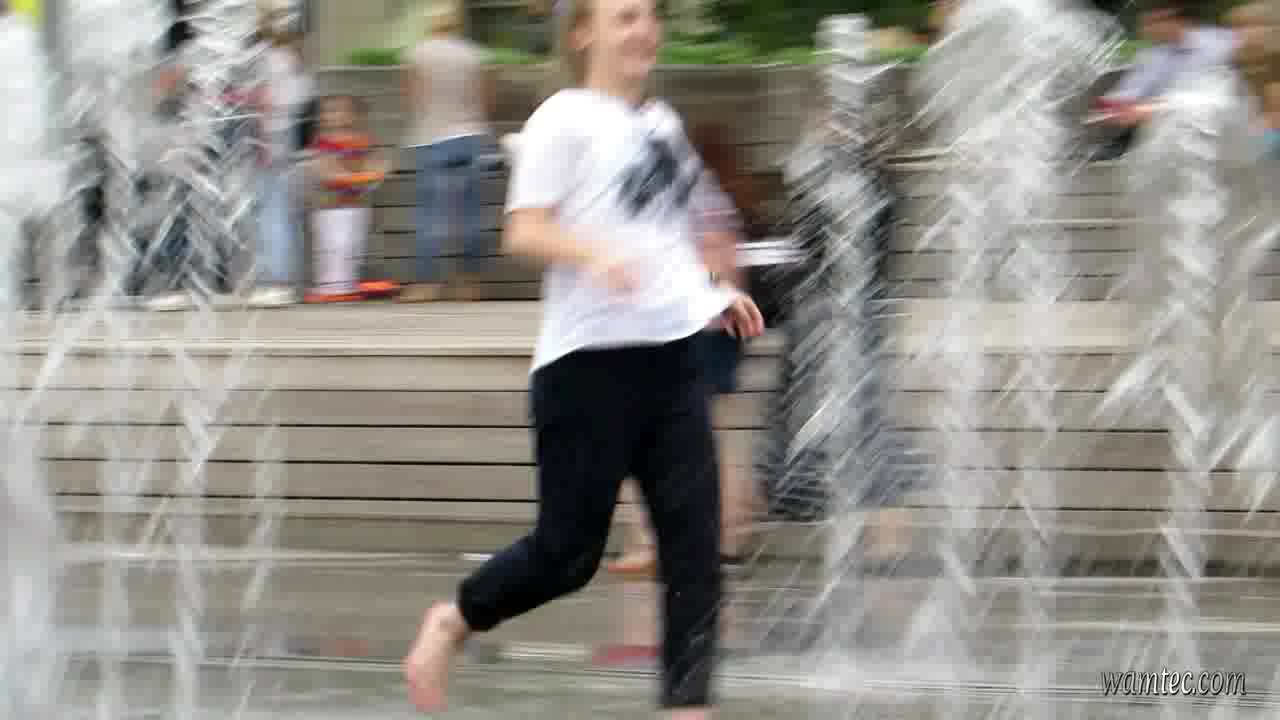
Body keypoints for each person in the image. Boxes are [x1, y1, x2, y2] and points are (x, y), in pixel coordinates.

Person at [401, 0, 765, 714]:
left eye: (651, 16)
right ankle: (454, 618)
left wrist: (712, 291)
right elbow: (524, 232)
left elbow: (668, 238)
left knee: (695, 558)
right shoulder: (561, 118)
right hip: (585, 371)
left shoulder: (661, 125)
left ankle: (689, 708)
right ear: (583, 33)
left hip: (674, 363)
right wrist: (590, 254)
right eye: (625, 16)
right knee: (567, 556)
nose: (644, 30)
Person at [607, 122, 765, 580]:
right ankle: (723, 533)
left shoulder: (687, 192)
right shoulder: (704, 190)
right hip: (711, 329)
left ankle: (679, 539)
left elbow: (713, 263)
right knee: (700, 435)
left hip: (698, 330)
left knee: (659, 434)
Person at [397, 2, 496, 303]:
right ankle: (471, 284)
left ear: (431, 23)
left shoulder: (417, 53)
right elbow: (486, 99)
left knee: (430, 214)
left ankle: (426, 284)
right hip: (470, 137)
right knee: (470, 213)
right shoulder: (474, 54)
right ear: (457, 23)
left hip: (431, 137)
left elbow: (411, 99)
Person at [1092, 0, 1237, 159]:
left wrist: (1152, 108)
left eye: (1153, 21)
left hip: (1213, 125)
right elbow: (1131, 92)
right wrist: (1114, 105)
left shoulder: (1220, 45)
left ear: (1176, 19)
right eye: (1147, 22)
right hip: (1164, 128)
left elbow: (1219, 97)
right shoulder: (1152, 56)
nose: (1146, 28)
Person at [249, 10, 313, 308]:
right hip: (287, 144)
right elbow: (301, 99)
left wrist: (264, 141)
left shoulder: (265, 59)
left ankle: (276, 281)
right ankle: (288, 281)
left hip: (270, 144)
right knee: (284, 213)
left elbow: (264, 103)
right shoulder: (292, 59)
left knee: (271, 213)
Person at [305, 95, 388, 303]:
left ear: (355, 115)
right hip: (329, 207)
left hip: (356, 206)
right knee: (332, 245)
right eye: (329, 111)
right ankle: (329, 286)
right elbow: (324, 169)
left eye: (342, 110)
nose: (335, 115)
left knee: (352, 246)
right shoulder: (322, 143)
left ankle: (346, 285)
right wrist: (346, 177)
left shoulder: (363, 140)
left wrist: (375, 173)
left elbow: (376, 163)